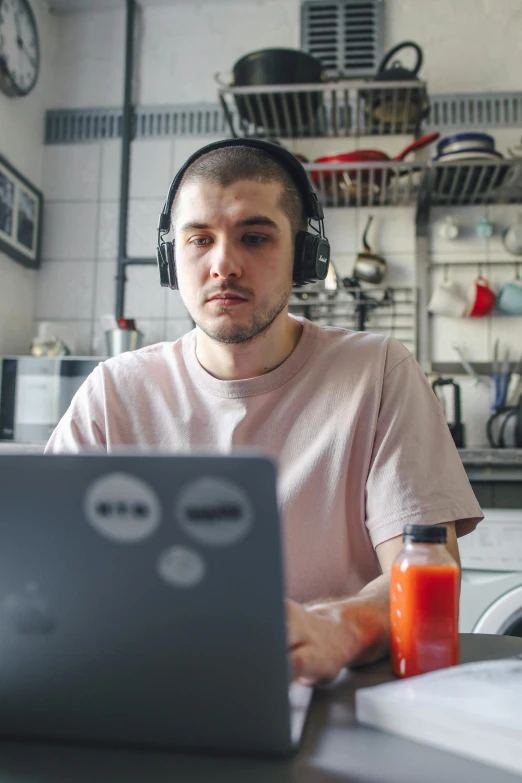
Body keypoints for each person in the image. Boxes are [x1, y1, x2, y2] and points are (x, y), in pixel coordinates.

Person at [45, 139, 483, 685]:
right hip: (150, 688)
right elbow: (44, 571)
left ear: (304, 256)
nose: (223, 264)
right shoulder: (112, 392)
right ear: (171, 259)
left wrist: (339, 630)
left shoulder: (381, 373)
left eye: (254, 238)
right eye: (199, 239)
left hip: (334, 695)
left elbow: (424, 573)